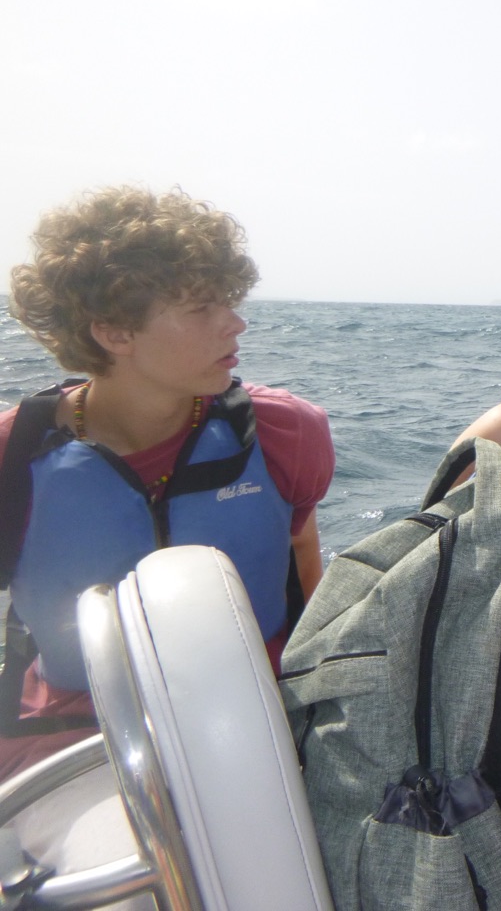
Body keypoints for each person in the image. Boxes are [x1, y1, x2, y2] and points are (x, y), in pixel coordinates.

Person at [0, 186, 334, 778]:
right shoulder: (13, 455)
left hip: (259, 721)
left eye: (229, 301)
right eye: (202, 308)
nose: (236, 323)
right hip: (72, 742)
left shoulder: (285, 433)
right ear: (114, 333)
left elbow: (300, 551)